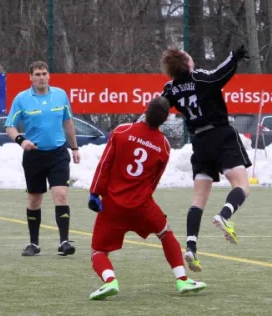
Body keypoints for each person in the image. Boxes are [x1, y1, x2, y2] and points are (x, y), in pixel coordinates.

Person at [87, 97, 207, 300]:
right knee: (165, 233)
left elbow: (104, 165)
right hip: (142, 205)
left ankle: (110, 281)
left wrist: (94, 193)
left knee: (97, 251)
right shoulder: (164, 145)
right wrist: (142, 196)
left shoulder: (122, 131)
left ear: (145, 110)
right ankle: (182, 279)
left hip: (113, 205)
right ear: (164, 120)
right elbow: (154, 180)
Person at [159, 46, 252, 273]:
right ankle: (224, 215)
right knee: (242, 185)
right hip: (220, 135)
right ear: (187, 63)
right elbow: (221, 74)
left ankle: (191, 247)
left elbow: (157, 108)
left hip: (199, 142)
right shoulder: (200, 78)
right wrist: (234, 57)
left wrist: (143, 123)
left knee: (198, 199)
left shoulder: (170, 88)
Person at [5, 60, 81, 257]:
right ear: (30, 77)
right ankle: (34, 244)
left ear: (49, 76)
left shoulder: (60, 95)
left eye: (44, 73)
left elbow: (68, 122)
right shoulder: (22, 99)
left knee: (61, 195)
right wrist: (21, 141)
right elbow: (9, 126)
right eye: (37, 74)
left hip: (58, 153)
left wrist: (74, 147)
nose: (41, 77)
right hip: (34, 156)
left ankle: (64, 242)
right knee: (34, 199)